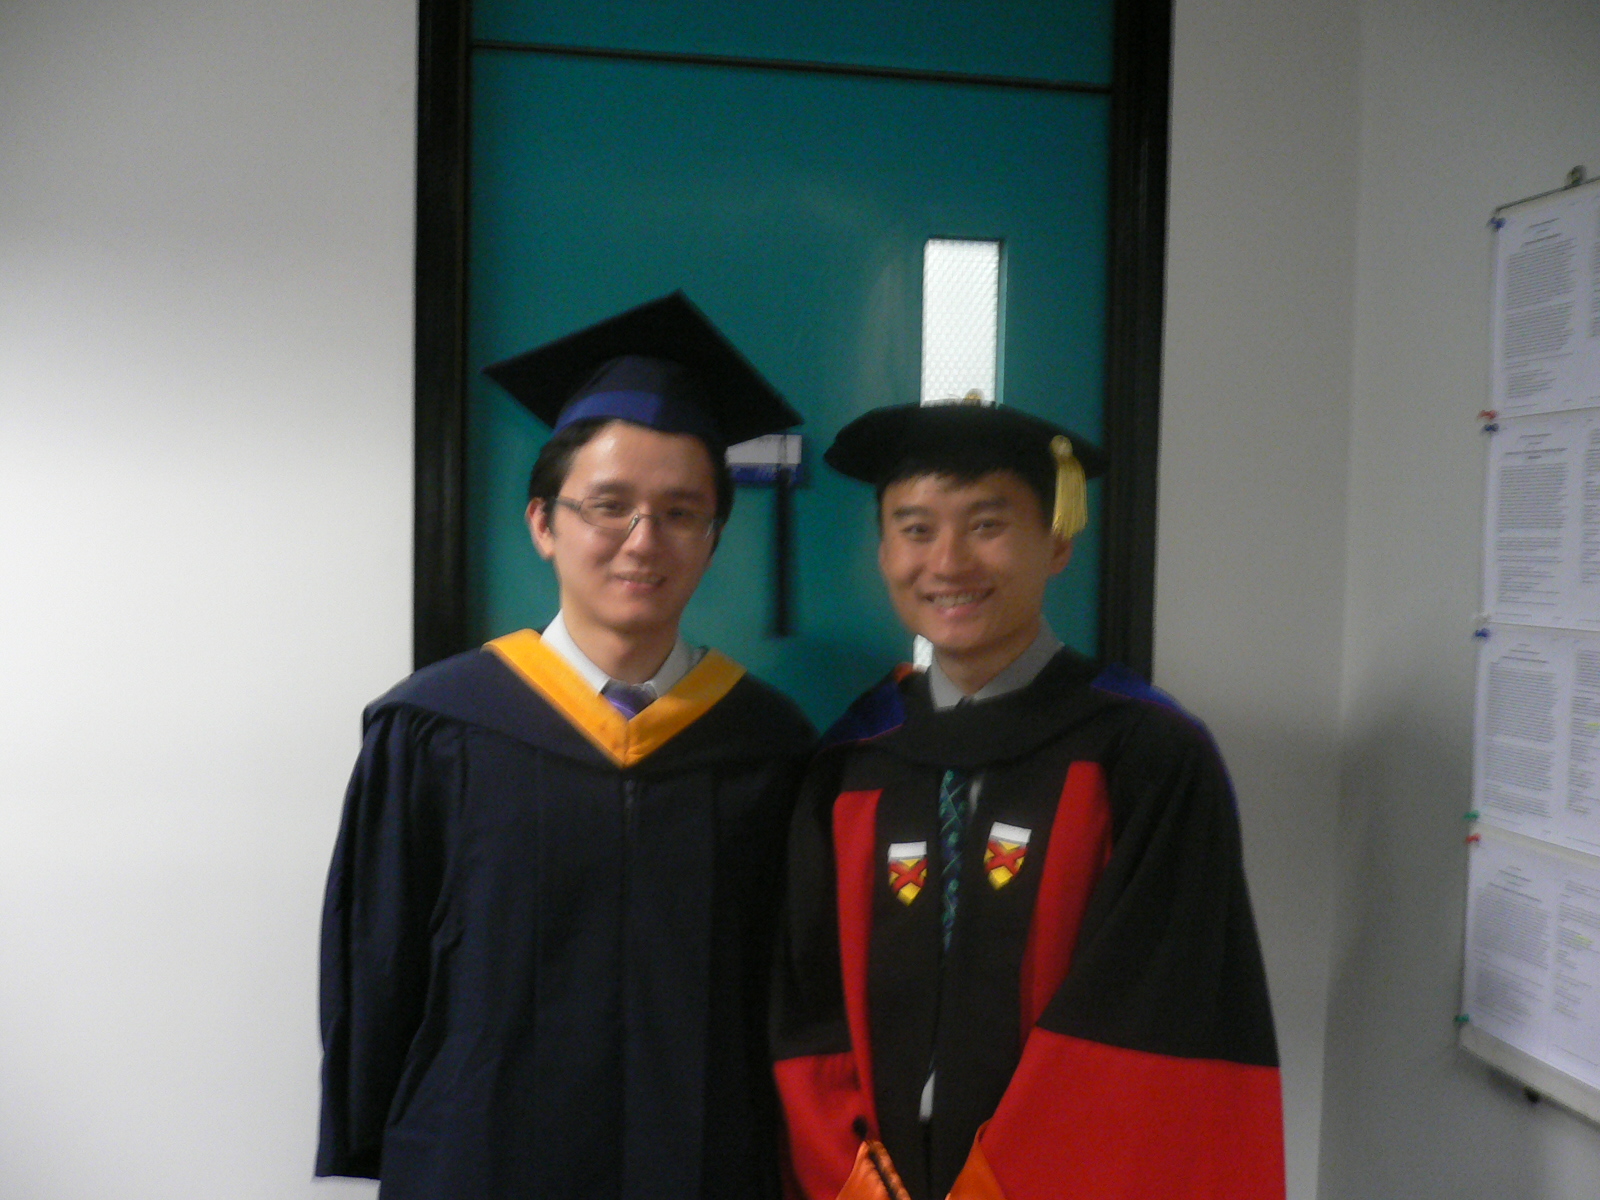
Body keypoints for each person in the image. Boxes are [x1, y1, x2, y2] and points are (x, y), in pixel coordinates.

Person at [317, 292, 816, 1199]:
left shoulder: (769, 746)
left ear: (713, 539)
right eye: (608, 507)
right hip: (478, 1163)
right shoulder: (434, 728)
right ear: (544, 523)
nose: (642, 541)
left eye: (681, 513)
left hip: (704, 1168)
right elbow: (378, 970)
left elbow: (790, 995)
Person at [771, 401, 1283, 1200]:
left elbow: (1151, 1019)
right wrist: (850, 1175)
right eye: (915, 529)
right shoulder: (851, 763)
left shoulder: (1145, 756)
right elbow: (808, 1008)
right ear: (883, 552)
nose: (948, 562)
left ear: (1057, 543)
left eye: (987, 526)